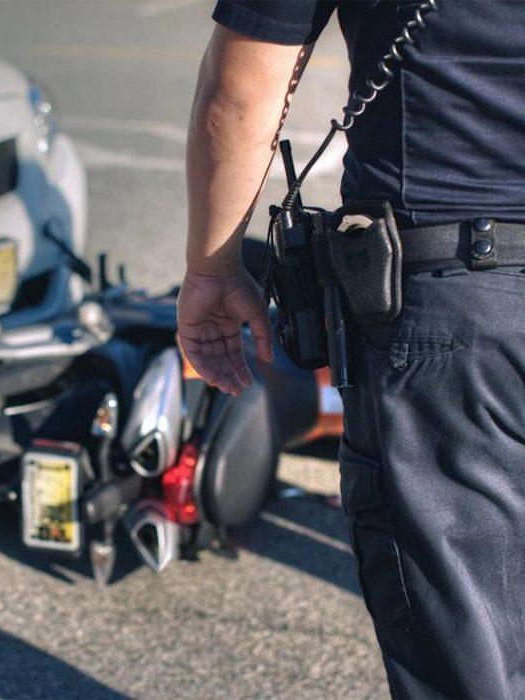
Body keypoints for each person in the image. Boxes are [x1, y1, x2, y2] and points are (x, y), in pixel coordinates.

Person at [176, 1, 525, 697]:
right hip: (462, 299)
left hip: (457, 304)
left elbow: (243, 86)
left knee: (462, 638)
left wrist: (212, 268)